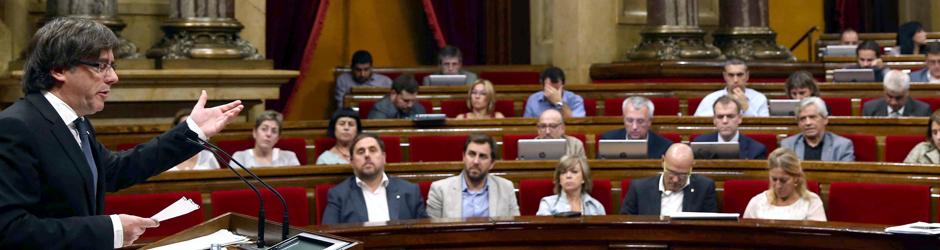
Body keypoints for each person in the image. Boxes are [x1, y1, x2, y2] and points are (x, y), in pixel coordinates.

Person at [0, 17, 244, 249]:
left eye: (112, 66)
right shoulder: (15, 127)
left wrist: (193, 131)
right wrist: (111, 229)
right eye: (100, 66)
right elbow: (10, 230)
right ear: (59, 69)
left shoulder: (77, 123)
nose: (113, 77)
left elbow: (116, 170)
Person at [322, 133, 428, 224]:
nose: (367, 155)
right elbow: (330, 237)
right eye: (361, 151)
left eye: (372, 150)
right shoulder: (339, 195)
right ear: (352, 161)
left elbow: (424, 235)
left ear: (383, 157)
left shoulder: (410, 191)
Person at [426, 134, 520, 218]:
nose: (476, 161)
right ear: (463, 157)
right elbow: (432, 234)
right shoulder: (440, 189)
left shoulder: (506, 188)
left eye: (482, 156)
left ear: (492, 163)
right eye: (472, 154)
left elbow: (515, 229)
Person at [620, 143, 718, 215]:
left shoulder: (704, 188)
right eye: (671, 172)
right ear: (663, 162)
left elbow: (709, 227)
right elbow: (625, 226)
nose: (675, 180)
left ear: (691, 167)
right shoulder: (639, 189)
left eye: (682, 174)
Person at [743, 148, 827, 221]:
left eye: (783, 180)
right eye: (774, 179)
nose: (778, 186)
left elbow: (819, 238)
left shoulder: (811, 202)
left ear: (796, 178)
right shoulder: (757, 202)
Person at [780, 97, 855, 161]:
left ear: (825, 119)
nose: (808, 123)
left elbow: (845, 177)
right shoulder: (787, 145)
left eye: (812, 117)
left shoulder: (842, 146)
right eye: (802, 119)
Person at [692, 96, 767, 159]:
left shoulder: (756, 150)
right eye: (720, 117)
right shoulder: (699, 145)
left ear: (740, 118)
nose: (725, 121)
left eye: (730, 116)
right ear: (714, 120)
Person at [599, 96, 671, 159]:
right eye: (630, 120)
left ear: (650, 121)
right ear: (623, 119)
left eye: (640, 121)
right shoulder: (609, 140)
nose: (634, 127)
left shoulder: (664, 147)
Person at [694, 59, 769, 117]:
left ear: (747, 76)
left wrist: (746, 107)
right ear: (724, 76)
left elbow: (765, 129)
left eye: (740, 75)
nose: (735, 80)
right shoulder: (710, 99)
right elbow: (699, 126)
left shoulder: (759, 98)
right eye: (731, 75)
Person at [536, 155, 606, 216]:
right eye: (563, 172)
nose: (568, 176)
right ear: (559, 179)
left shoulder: (596, 207)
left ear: (583, 178)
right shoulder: (547, 204)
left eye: (574, 172)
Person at [230, 110, 301, 168]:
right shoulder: (240, 157)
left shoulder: (289, 157)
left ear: (277, 138)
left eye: (274, 131)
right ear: (255, 132)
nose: (268, 134)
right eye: (264, 129)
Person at [862, 70, 931, 117]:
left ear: (907, 93)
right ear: (884, 91)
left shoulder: (923, 111)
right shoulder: (870, 109)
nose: (893, 103)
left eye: (898, 98)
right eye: (889, 96)